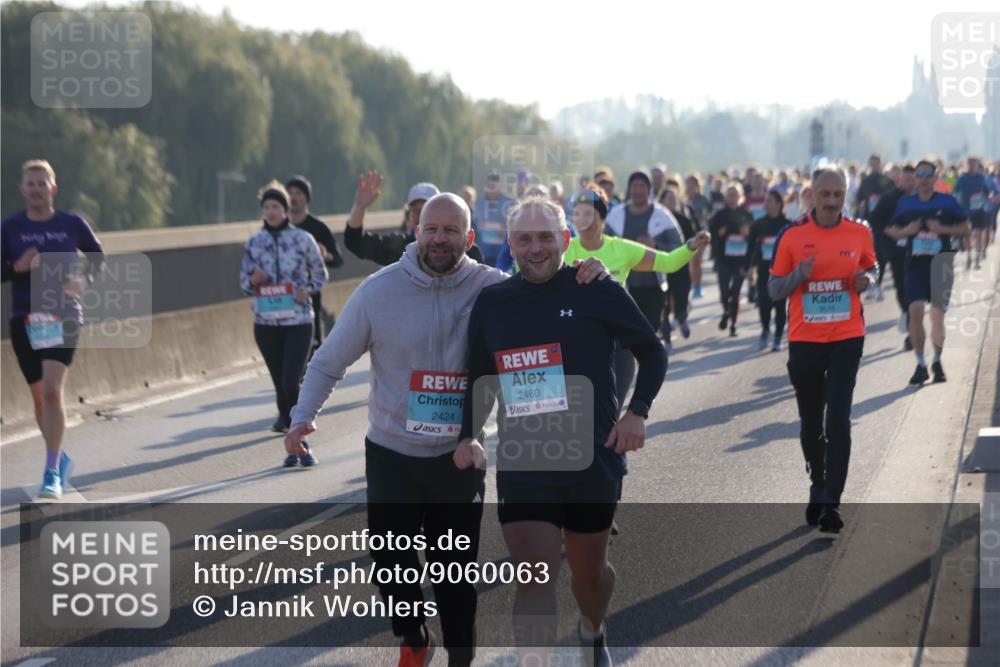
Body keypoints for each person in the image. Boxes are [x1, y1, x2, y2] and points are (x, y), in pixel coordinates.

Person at [286, 193, 608, 667]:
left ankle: (461, 660)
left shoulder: (494, 289)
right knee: (392, 566)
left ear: (469, 239)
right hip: (392, 452)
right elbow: (329, 361)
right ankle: (415, 637)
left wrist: (590, 275)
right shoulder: (378, 292)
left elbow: (545, 286)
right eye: (431, 229)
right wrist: (301, 416)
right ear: (417, 232)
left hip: (458, 455)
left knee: (454, 575)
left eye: (451, 231)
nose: (440, 238)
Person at [455, 195, 669, 667]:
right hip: (526, 461)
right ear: (510, 245)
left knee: (590, 576)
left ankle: (593, 628)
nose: (536, 248)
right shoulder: (493, 302)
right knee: (533, 576)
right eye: (525, 239)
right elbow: (478, 377)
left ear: (565, 241)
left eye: (546, 237)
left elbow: (652, 351)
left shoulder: (595, 288)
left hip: (593, 456)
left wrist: (638, 412)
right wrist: (468, 435)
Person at [768, 167, 878, 534]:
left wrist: (868, 279)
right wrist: (800, 275)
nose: (831, 201)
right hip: (805, 341)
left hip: (847, 336)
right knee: (812, 423)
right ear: (812, 195)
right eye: (825, 194)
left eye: (838, 194)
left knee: (839, 421)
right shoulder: (792, 236)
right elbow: (772, 289)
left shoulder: (859, 232)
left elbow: (871, 266)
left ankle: (832, 501)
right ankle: (817, 482)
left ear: (846, 195)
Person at [1, 159, 104, 499]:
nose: (35, 189)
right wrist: (17, 267)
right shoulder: (10, 228)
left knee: (51, 391)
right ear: (22, 189)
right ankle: (59, 457)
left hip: (64, 315)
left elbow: (97, 256)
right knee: (39, 399)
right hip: (25, 319)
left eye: (41, 183)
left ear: (53, 189)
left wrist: (83, 279)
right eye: (29, 184)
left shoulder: (72, 223)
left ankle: (50, 473)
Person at [567, 185, 709, 407]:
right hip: (577, 346)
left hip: (618, 347)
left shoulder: (622, 249)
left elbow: (668, 262)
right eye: (578, 214)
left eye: (588, 214)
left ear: (602, 218)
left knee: (609, 413)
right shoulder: (564, 250)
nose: (583, 219)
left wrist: (691, 246)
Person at [240, 181, 326, 462]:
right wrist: (253, 281)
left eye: (276, 206)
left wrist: (307, 290)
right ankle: (293, 446)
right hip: (266, 324)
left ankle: (301, 438)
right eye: (267, 207)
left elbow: (321, 274)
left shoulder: (302, 239)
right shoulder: (255, 243)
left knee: (292, 381)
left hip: (299, 321)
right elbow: (243, 283)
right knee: (280, 387)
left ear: (285, 209)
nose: (271, 211)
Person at [886, 160, 970, 386]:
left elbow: (965, 229)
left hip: (941, 264)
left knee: (936, 316)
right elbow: (892, 230)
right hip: (915, 265)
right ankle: (921, 363)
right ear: (914, 178)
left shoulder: (947, 201)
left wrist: (942, 229)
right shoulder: (906, 203)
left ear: (935, 177)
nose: (922, 178)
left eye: (927, 174)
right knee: (915, 312)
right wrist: (907, 231)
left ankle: (937, 361)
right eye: (919, 174)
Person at [605, 171, 684, 337]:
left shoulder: (662, 215)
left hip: (653, 285)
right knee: (629, 334)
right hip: (625, 287)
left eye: (642, 186)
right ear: (629, 189)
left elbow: (678, 246)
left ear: (648, 189)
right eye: (634, 186)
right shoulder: (615, 216)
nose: (638, 190)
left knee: (650, 330)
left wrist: (655, 245)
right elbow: (603, 245)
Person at [346, 171, 484, 265]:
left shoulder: (466, 251)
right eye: (417, 211)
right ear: (409, 216)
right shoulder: (400, 249)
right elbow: (355, 242)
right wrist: (360, 206)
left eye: (427, 210)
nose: (421, 217)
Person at [285, 175, 341, 355]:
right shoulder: (278, 228)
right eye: (290, 193)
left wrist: (325, 256)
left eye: (298, 193)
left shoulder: (317, 228)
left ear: (306, 198)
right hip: (282, 298)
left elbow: (337, 258)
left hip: (309, 294)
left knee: (311, 347)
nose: (294, 197)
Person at [870, 164, 917, 351]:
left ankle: (912, 321)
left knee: (918, 290)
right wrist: (889, 230)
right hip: (897, 251)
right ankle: (910, 322)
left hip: (920, 251)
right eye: (907, 180)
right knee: (902, 289)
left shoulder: (925, 197)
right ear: (900, 181)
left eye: (914, 179)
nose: (911, 183)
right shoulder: (890, 198)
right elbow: (875, 218)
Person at [708, 182, 754, 337]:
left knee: (735, 293)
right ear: (726, 197)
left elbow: (753, 238)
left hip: (741, 260)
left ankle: (733, 325)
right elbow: (710, 233)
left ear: (740, 197)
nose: (732, 197)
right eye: (730, 194)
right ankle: (726, 312)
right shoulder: (719, 215)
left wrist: (747, 234)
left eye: (735, 194)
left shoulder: (746, 215)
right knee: (723, 293)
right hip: (723, 259)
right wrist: (718, 233)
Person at [658, 187, 702, 349]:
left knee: (682, 294)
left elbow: (692, 242)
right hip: (661, 266)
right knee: (664, 304)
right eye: (668, 199)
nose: (671, 202)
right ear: (660, 202)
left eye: (674, 199)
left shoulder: (683, 220)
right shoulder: (655, 221)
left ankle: (681, 317)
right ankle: (667, 338)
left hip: (681, 266)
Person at [746, 190, 789, 351]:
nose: (766, 203)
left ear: (779, 203)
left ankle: (778, 337)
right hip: (764, 270)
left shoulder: (787, 224)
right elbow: (751, 247)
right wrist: (749, 267)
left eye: (770, 200)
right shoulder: (758, 224)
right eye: (765, 201)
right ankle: (765, 330)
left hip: (782, 271)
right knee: (764, 303)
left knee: (779, 305)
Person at [954, 156, 998, 269]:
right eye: (969, 163)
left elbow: (988, 192)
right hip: (965, 210)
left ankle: (977, 259)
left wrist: (990, 197)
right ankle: (969, 256)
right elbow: (956, 192)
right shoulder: (962, 178)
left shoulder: (981, 178)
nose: (971, 166)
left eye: (973, 163)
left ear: (977, 165)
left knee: (978, 234)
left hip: (978, 209)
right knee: (967, 234)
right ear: (966, 165)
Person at [473, 172, 517, 266]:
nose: (491, 188)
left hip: (506, 255)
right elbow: (475, 225)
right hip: (484, 254)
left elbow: (518, 225)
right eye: (489, 185)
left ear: (501, 185)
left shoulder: (511, 203)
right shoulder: (479, 203)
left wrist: (506, 232)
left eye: (494, 185)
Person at [685, 174, 710, 298]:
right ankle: (690, 284)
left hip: (701, 232)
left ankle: (697, 287)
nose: (689, 186)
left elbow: (706, 211)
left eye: (691, 184)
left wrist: (701, 215)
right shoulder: (684, 199)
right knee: (687, 262)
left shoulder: (702, 199)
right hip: (688, 233)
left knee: (696, 261)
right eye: (687, 184)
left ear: (696, 185)